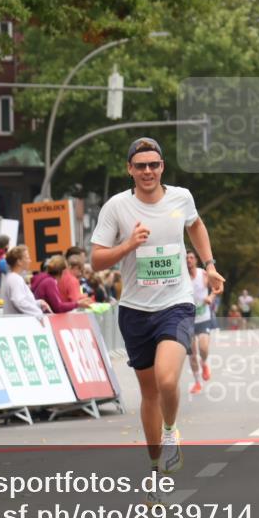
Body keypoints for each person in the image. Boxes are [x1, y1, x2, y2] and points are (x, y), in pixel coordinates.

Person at [90, 137, 224, 495]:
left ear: (163, 166)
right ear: (129, 170)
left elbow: (195, 225)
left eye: (154, 165)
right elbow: (97, 260)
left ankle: (170, 432)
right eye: (141, 166)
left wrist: (209, 265)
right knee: (149, 394)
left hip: (176, 304)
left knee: (167, 381)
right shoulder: (117, 207)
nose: (148, 171)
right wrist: (129, 245)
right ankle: (155, 471)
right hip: (135, 310)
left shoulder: (181, 198)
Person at [185, 252, 214, 395]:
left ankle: (204, 363)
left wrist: (211, 296)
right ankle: (197, 382)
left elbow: (217, 287)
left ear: (196, 260)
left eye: (191, 258)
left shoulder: (203, 274)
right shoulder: (181, 277)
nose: (189, 260)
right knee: (192, 354)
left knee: (203, 348)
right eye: (186, 258)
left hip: (203, 317)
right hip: (188, 320)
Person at [0, 246, 51, 317]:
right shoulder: (15, 279)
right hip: (19, 325)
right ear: (19, 262)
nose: (30, 260)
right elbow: (19, 301)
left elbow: (20, 300)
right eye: (27, 258)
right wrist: (38, 313)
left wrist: (38, 303)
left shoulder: (12, 277)